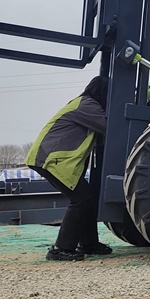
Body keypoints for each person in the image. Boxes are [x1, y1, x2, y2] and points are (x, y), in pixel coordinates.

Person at [26, 75, 111, 261]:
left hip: (54, 158)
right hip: (51, 158)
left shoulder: (85, 103)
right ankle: (60, 248)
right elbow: (111, 128)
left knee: (86, 198)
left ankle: (89, 243)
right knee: (81, 199)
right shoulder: (87, 105)